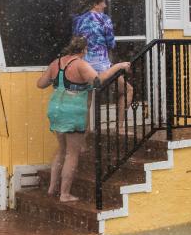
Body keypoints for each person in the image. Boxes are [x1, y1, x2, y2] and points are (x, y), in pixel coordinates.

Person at [36, 36, 129, 202]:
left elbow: (41, 84)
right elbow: (98, 81)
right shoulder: (81, 64)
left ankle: (51, 188)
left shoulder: (56, 63)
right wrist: (117, 67)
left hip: (56, 108)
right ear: (84, 50)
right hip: (72, 111)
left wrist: (58, 79)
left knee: (61, 149)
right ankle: (64, 194)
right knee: (72, 154)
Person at [72, 0, 134, 130]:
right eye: (103, 3)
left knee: (86, 102)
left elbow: (75, 42)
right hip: (101, 64)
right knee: (127, 90)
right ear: (95, 4)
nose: (105, 5)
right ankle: (120, 128)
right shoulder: (104, 19)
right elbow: (111, 43)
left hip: (83, 64)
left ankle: (84, 138)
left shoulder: (78, 19)